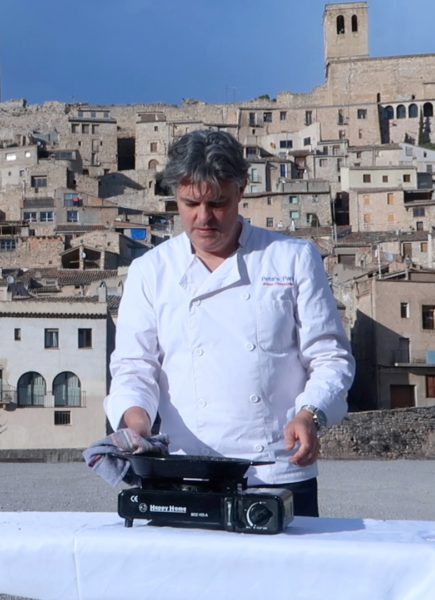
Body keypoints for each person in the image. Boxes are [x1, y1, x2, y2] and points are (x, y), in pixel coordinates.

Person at [104, 130, 355, 516]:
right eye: (190, 203)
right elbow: (134, 367)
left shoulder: (292, 258)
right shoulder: (149, 271)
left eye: (217, 203)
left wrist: (311, 414)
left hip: (278, 469)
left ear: (240, 190)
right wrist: (135, 424)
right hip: (186, 470)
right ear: (175, 196)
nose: (203, 217)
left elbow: (330, 357)